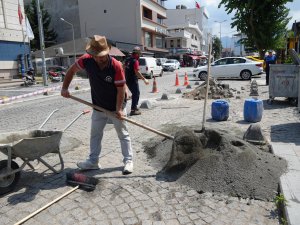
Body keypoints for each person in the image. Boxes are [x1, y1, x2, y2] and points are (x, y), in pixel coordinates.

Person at [61, 35, 133, 174]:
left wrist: (119, 110)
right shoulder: (85, 61)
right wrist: (65, 88)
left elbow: (120, 90)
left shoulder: (116, 66)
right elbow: (71, 71)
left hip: (117, 104)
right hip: (98, 105)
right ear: (92, 54)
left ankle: (128, 160)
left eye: (103, 55)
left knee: (123, 133)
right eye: (97, 56)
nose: (100, 58)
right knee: (95, 134)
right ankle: (93, 161)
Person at [125, 46, 149, 116]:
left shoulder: (128, 59)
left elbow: (123, 67)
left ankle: (134, 107)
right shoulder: (135, 61)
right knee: (136, 94)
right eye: (139, 54)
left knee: (135, 93)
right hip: (133, 80)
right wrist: (144, 79)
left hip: (128, 79)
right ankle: (133, 110)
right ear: (138, 54)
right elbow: (137, 72)